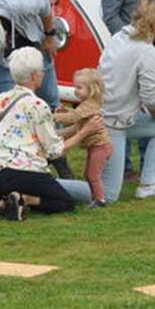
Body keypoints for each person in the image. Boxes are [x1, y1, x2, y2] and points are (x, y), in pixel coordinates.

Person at [0, 47, 98, 221]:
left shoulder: (2, 98)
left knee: (37, 186)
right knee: (65, 202)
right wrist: (84, 133)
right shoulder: (38, 105)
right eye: (41, 71)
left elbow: (32, 134)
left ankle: (6, 201)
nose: (43, 74)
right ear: (34, 75)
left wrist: (74, 130)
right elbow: (54, 150)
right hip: (21, 171)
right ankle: (24, 199)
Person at [0, 0, 62, 173]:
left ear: (5, 35)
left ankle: (57, 155)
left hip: (34, 46)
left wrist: (49, 35)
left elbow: (45, 5)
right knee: (13, 111)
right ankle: (20, 161)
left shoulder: (22, 4)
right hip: (4, 68)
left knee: (50, 102)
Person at [99, 0, 155, 201]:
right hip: (113, 123)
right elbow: (152, 98)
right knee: (107, 195)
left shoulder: (118, 37)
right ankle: (50, 188)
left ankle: (148, 185)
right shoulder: (146, 50)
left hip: (104, 115)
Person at [53, 68, 115, 206]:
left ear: (92, 89)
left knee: (93, 174)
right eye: (75, 87)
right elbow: (77, 115)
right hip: (96, 146)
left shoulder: (90, 105)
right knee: (89, 173)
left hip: (100, 146)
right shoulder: (86, 105)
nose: (76, 90)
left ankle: (100, 200)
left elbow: (72, 118)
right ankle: (93, 196)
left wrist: (52, 116)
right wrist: (66, 111)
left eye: (79, 87)